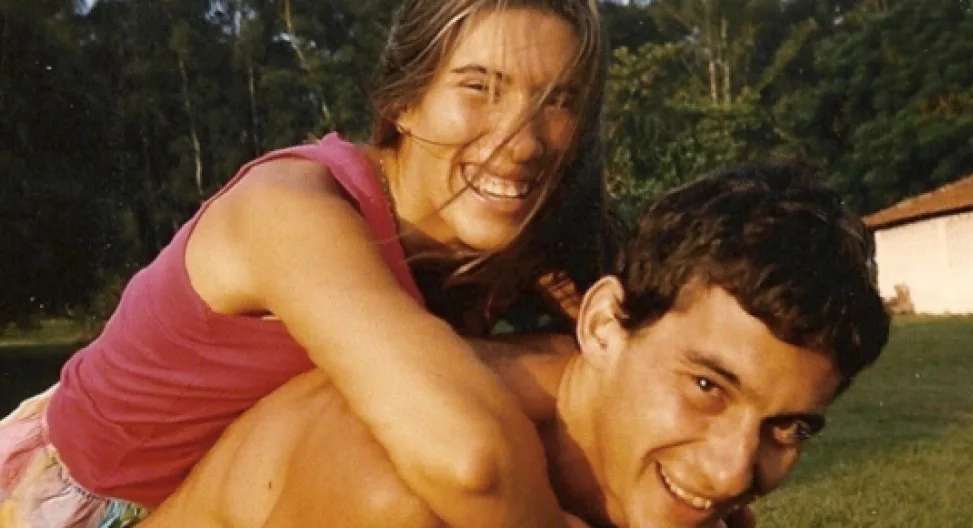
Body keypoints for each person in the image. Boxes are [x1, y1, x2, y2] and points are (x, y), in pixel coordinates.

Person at [0, 1, 618, 526]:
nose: (524, 141)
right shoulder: (290, 210)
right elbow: (469, 456)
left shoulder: (507, 252)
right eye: (479, 87)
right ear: (404, 101)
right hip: (81, 507)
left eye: (558, 101)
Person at [140, 161, 893, 527]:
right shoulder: (396, 494)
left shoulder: (652, 475)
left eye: (788, 428)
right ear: (602, 325)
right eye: (706, 387)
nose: (731, 472)